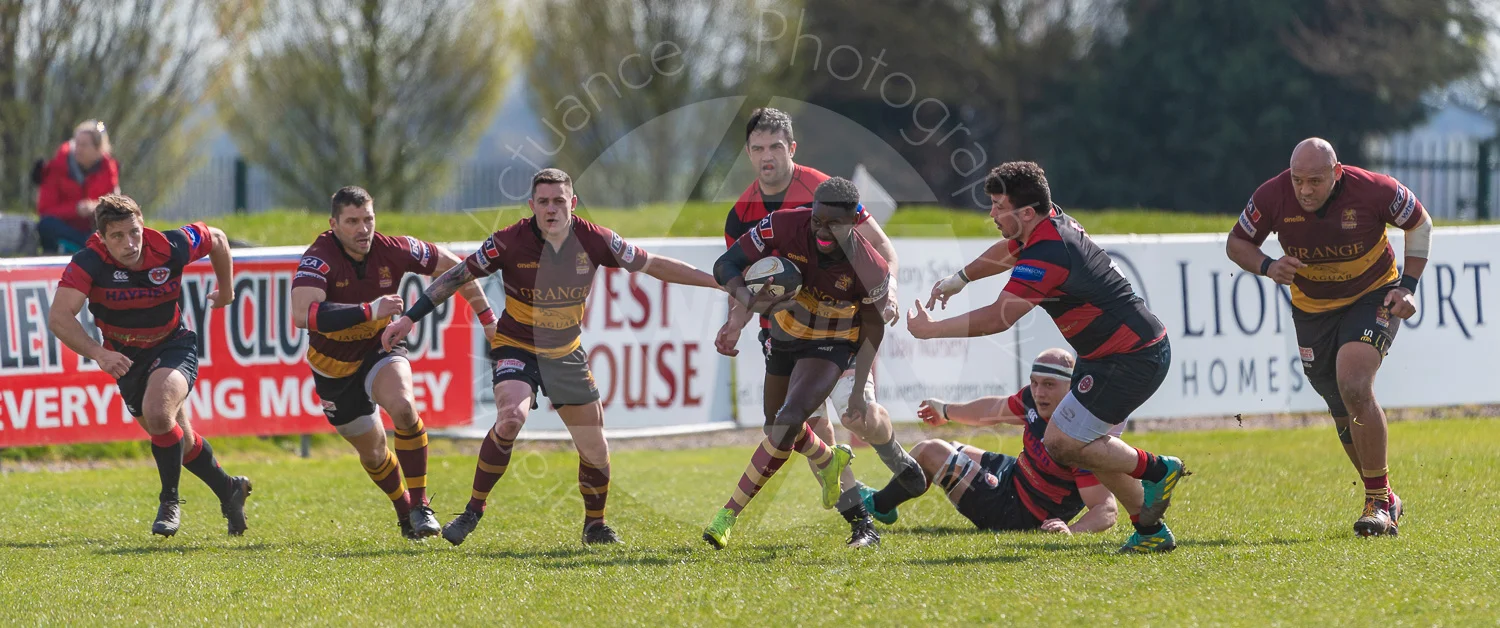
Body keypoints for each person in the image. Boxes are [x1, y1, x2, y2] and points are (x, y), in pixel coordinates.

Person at [381, 168, 720, 546]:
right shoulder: (509, 241)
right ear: (532, 206)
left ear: (572, 203)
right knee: (511, 418)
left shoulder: (595, 239)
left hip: (565, 354)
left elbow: (653, 264)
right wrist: (410, 318)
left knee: (595, 448)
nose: (551, 209)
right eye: (543, 202)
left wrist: (715, 281)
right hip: (516, 347)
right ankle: (473, 511)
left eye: (559, 201)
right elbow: (457, 276)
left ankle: (595, 526)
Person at [906, 162, 1186, 553]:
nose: (991, 214)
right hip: (1111, 355)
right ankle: (1151, 530)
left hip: (1131, 357)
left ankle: (1158, 469)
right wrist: (960, 279)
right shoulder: (1046, 223)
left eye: (999, 206)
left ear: (1025, 212)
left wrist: (932, 330)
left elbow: (999, 317)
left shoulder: (1049, 252)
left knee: (1062, 443)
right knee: (1092, 448)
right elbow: (1007, 251)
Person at [715, 108, 922, 538]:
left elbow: (881, 248)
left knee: (857, 418)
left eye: (775, 147)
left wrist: (891, 291)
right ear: (748, 153)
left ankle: (895, 457)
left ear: (792, 148)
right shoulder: (741, 214)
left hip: (842, 327)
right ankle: (860, 519)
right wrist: (736, 320)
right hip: (784, 331)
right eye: (758, 148)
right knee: (805, 429)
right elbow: (745, 275)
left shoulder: (825, 191)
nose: (767, 156)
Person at [1226, 138, 1430, 537]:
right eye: (1298, 180)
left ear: (1336, 173)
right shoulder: (1272, 195)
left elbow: (1420, 223)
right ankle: (1386, 496)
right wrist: (1267, 266)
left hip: (1373, 295)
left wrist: (1408, 286)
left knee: (1353, 382)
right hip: (1313, 310)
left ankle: (1376, 503)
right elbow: (1237, 243)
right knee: (1340, 406)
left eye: (1315, 181)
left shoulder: (1374, 189)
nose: (1304, 190)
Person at [289, 186, 496, 540]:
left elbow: (456, 269)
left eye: (368, 219)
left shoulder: (393, 249)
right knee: (373, 453)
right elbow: (302, 315)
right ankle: (405, 512)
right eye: (352, 221)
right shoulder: (319, 258)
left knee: (403, 407)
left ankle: (421, 506)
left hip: (379, 347)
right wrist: (368, 311)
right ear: (333, 224)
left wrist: (488, 318)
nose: (363, 229)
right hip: (332, 367)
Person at [703, 177, 892, 549]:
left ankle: (728, 515)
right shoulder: (784, 224)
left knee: (788, 421)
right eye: (817, 220)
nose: (821, 231)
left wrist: (858, 389)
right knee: (776, 428)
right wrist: (748, 301)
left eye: (833, 225)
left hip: (832, 344)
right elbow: (726, 264)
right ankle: (829, 460)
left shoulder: (871, 268)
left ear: (854, 220)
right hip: (785, 336)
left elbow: (873, 329)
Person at [47, 194, 251, 537]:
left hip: (173, 345)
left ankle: (169, 501)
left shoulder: (171, 245)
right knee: (176, 439)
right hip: (127, 360)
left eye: (134, 232)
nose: (130, 243)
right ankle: (229, 489)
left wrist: (227, 290)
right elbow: (59, 317)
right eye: (117, 236)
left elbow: (216, 238)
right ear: (101, 238)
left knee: (158, 413)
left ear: (143, 225)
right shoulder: (89, 262)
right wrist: (99, 353)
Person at [866, 349, 1131, 535]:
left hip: (1019, 514)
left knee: (930, 451)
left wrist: (1071, 530)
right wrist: (946, 410)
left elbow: (1106, 509)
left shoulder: (1078, 437)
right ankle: (887, 504)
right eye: (1035, 383)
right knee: (952, 448)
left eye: (1049, 385)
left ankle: (875, 504)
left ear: (1070, 387)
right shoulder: (1033, 400)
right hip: (1014, 476)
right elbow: (994, 409)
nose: (1039, 392)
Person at [36, 120, 121, 253]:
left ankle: (93, 250)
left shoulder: (108, 168)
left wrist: (96, 207)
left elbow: (115, 206)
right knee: (46, 225)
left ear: (98, 149)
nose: (78, 149)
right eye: (77, 143)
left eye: (84, 145)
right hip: (65, 229)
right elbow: (45, 211)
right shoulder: (56, 167)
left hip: (94, 231)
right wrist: (75, 209)